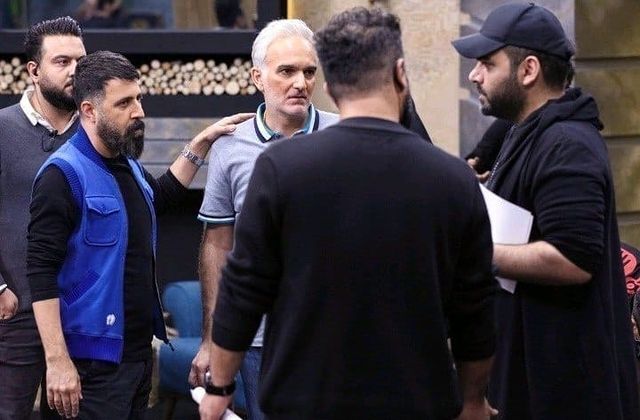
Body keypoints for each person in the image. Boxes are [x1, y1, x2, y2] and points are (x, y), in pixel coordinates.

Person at [200, 7, 497, 419]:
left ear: (330, 85)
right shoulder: (453, 179)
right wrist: (473, 398)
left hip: (305, 397)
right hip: (415, 396)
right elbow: (475, 306)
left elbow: (244, 285)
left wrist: (219, 387)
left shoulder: (280, 169)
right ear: (400, 74)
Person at [27, 50, 252, 419]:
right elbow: (40, 273)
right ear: (89, 111)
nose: (139, 111)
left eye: (139, 98)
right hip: (88, 367)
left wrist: (201, 143)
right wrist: (57, 361)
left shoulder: (128, 165)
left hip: (136, 356)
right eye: (124, 103)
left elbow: (159, 197)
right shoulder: (61, 175)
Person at [452, 3, 639, 418]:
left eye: (487, 63)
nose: (474, 75)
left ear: (529, 70)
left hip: (561, 390)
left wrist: (476, 253)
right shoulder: (527, 128)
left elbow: (573, 260)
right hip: (526, 375)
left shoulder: (567, 145)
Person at [189, 18, 339, 420]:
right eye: (286, 71)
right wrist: (211, 339)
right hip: (258, 338)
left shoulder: (342, 135)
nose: (300, 83)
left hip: (331, 334)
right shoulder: (230, 146)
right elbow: (218, 245)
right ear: (258, 77)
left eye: (309, 72)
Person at [0, 16, 85, 420]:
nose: (75, 71)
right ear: (34, 71)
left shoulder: (94, 132)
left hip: (79, 313)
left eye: (80, 62)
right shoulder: (2, 129)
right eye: (62, 61)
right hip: (14, 313)